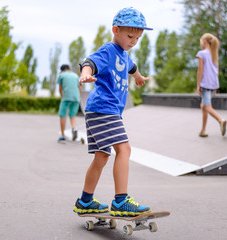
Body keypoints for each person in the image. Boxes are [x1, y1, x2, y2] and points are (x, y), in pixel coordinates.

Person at [73, 7, 152, 216]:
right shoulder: (109, 50)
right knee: (124, 150)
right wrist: (85, 74)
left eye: (138, 38)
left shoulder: (124, 55)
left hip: (102, 111)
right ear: (115, 30)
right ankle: (120, 201)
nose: (133, 41)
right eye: (130, 36)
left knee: (101, 157)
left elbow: (131, 66)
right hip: (103, 109)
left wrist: (138, 77)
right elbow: (90, 62)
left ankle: (85, 201)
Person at [196, 33, 227, 138]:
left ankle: (220, 120)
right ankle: (203, 130)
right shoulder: (214, 54)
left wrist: (198, 84)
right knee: (203, 106)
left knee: (207, 106)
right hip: (212, 84)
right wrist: (215, 86)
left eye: (201, 42)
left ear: (204, 42)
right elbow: (216, 72)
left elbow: (200, 70)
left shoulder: (201, 53)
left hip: (205, 83)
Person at [57, 64, 81, 143]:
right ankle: (74, 128)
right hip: (76, 98)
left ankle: (62, 135)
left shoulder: (62, 75)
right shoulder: (75, 75)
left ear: (62, 70)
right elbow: (79, 88)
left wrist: (62, 97)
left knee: (62, 115)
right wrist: (78, 97)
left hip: (66, 97)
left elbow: (60, 89)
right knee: (72, 115)